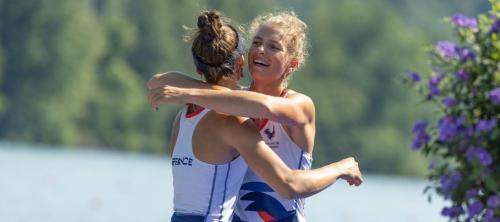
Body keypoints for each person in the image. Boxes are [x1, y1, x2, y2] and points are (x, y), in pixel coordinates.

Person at [149, 10, 362, 222]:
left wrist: (188, 94)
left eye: (273, 47)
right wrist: (203, 91)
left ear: (292, 64)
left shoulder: (300, 105)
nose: (261, 50)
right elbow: (156, 82)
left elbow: (267, 107)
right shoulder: (231, 100)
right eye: (257, 42)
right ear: (243, 58)